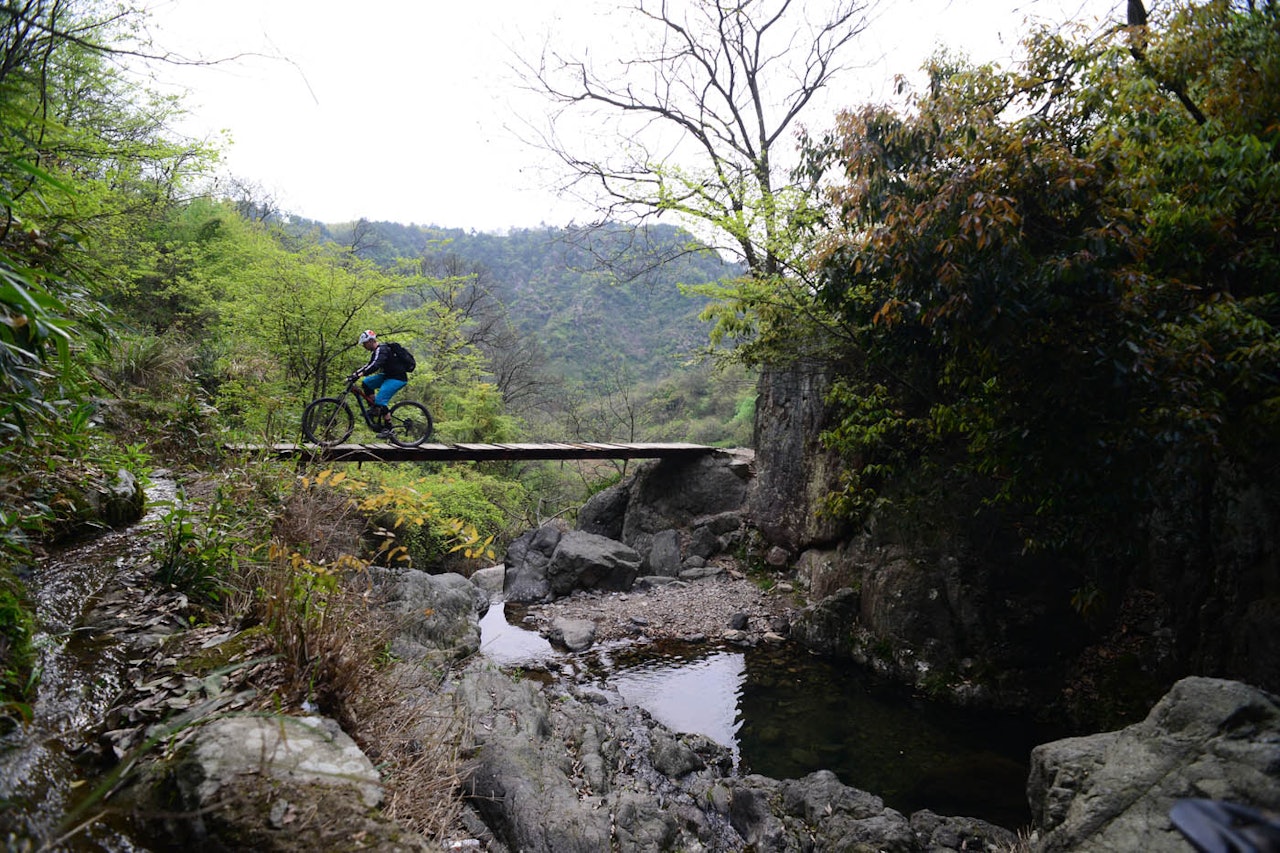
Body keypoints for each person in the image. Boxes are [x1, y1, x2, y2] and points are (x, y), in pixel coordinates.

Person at [348, 330, 408, 439]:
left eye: (365, 344)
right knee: (366, 383)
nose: (364, 346)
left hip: (397, 378)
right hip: (388, 375)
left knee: (380, 400)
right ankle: (375, 409)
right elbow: (369, 365)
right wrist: (355, 374)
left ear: (371, 341)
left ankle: (389, 428)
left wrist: (360, 374)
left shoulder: (382, 350)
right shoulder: (376, 352)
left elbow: (375, 365)